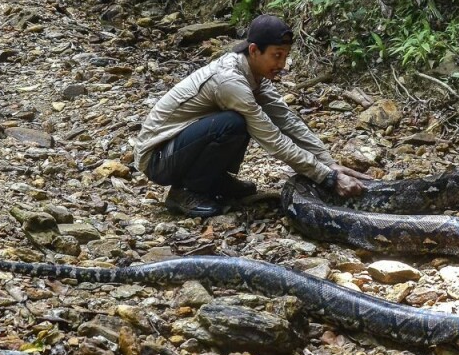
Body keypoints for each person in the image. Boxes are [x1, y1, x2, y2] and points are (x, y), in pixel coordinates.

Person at [133, 14, 369, 217]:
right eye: (277, 56)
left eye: (286, 56)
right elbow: (272, 139)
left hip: (178, 148)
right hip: (157, 157)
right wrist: (326, 177)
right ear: (254, 50)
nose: (283, 64)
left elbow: (287, 120)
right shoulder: (230, 82)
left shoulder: (255, 76)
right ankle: (185, 192)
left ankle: (212, 179)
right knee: (233, 123)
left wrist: (329, 163)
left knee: (237, 122)